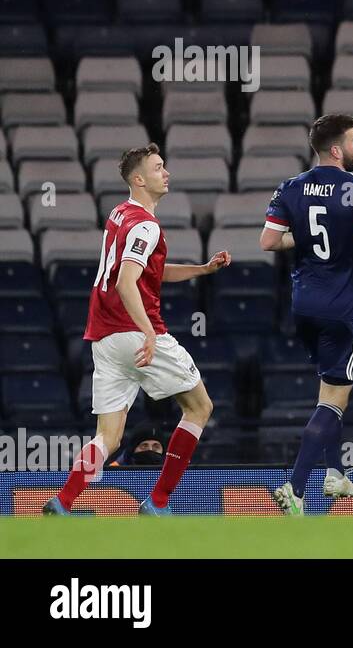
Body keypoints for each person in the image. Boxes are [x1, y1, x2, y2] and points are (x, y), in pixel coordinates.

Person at [44, 144, 231, 516]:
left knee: (108, 436)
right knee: (199, 407)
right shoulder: (146, 225)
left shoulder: (119, 214)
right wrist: (148, 332)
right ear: (139, 179)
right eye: (159, 168)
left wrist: (202, 269)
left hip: (104, 337)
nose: (167, 173)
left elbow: (147, 273)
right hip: (135, 331)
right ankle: (158, 502)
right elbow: (127, 282)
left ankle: (62, 502)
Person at [260, 114, 353, 515]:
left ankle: (335, 472)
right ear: (336, 150)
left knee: (327, 387)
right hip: (343, 308)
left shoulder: (290, 188)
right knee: (334, 401)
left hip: (304, 306)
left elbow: (269, 241)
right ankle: (295, 487)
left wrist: (302, 237)